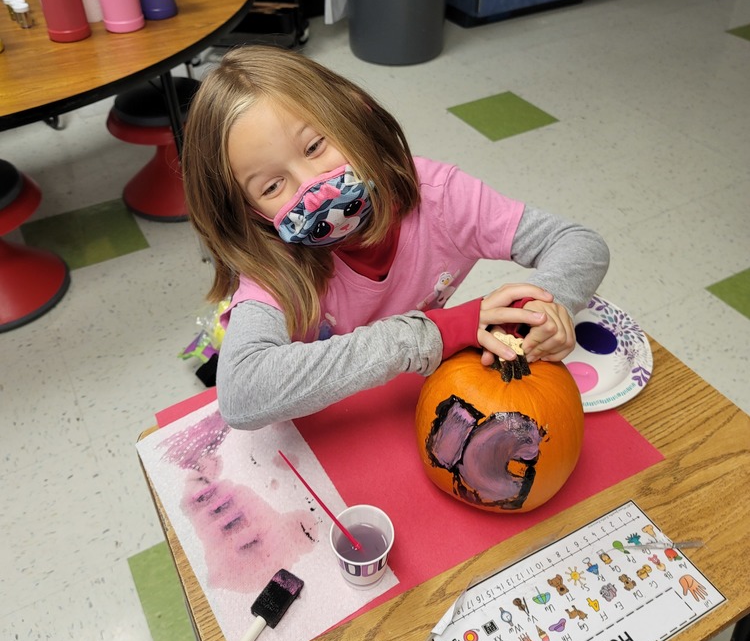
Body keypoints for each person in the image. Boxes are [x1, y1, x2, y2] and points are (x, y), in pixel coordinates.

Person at [182, 46, 609, 431]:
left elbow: (579, 243)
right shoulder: (274, 263)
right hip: (319, 414)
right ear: (252, 213)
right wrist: (430, 336)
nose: (315, 186)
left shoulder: (440, 198)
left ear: (354, 113)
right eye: (272, 186)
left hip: (400, 400)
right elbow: (242, 395)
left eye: (314, 147)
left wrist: (543, 307)